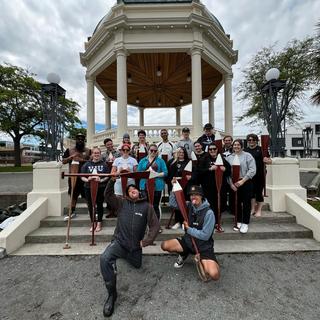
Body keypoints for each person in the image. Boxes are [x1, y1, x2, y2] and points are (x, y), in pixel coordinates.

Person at [101, 178, 160, 317]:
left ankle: (126, 256)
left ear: (139, 192)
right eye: (130, 190)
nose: (133, 190)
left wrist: (145, 242)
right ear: (127, 194)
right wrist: (111, 180)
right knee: (105, 258)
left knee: (137, 265)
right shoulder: (122, 203)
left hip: (135, 247)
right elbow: (107, 195)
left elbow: (155, 226)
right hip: (120, 242)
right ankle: (112, 295)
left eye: (135, 189)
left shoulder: (147, 207)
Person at [161, 185, 220, 281]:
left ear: (202, 196)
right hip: (188, 241)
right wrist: (173, 189)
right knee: (164, 245)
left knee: (214, 275)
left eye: (196, 194)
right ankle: (184, 253)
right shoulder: (189, 205)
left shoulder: (209, 213)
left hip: (203, 247)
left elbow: (205, 236)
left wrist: (189, 229)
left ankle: (204, 260)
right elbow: (173, 204)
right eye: (191, 195)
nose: (193, 197)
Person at [198, 143, 231, 231]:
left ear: (217, 149)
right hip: (208, 188)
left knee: (219, 205)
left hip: (220, 187)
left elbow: (229, 171)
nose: (212, 151)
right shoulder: (204, 159)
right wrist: (209, 169)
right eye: (210, 149)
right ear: (208, 151)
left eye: (214, 149)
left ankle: (217, 223)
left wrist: (225, 169)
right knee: (210, 205)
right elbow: (199, 172)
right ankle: (209, 222)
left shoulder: (222, 159)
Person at [226, 139, 256, 234]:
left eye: (238, 145)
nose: (236, 146)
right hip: (234, 184)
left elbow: (252, 170)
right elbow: (227, 174)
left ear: (242, 146)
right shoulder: (229, 158)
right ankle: (238, 220)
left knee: (246, 203)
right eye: (234, 145)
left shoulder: (248, 156)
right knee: (236, 203)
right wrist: (231, 184)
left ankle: (245, 222)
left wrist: (242, 181)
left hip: (245, 182)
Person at [62, 133, 91, 220]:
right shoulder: (69, 150)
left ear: (84, 140)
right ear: (76, 140)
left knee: (87, 195)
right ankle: (72, 212)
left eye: (82, 139)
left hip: (84, 176)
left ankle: (91, 211)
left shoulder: (88, 150)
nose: (80, 140)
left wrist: (82, 160)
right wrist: (71, 157)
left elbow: (91, 162)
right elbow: (63, 161)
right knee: (73, 195)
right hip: (73, 177)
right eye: (78, 139)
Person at [81, 147, 108, 232]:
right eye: (94, 153)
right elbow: (81, 176)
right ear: (92, 154)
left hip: (100, 187)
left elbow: (107, 176)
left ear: (100, 154)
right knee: (90, 205)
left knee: (99, 205)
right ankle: (93, 222)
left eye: (98, 153)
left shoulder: (104, 164)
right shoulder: (86, 164)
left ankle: (99, 223)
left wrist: (101, 180)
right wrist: (87, 179)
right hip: (88, 187)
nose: (96, 154)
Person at [244, 133, 272, 217]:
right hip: (249, 175)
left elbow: (270, 161)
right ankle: (252, 209)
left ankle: (259, 210)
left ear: (256, 141)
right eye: (249, 140)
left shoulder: (262, 150)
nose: (251, 141)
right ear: (247, 141)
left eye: (253, 140)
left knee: (259, 192)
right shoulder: (245, 151)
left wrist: (267, 160)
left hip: (260, 174)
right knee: (251, 192)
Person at [167, 147, 191, 229]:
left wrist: (190, 177)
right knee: (177, 204)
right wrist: (171, 181)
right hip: (176, 186)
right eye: (180, 152)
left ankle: (185, 222)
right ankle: (177, 222)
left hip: (186, 186)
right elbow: (170, 175)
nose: (181, 154)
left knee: (185, 204)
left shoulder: (189, 162)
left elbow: (193, 173)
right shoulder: (173, 162)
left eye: (183, 152)